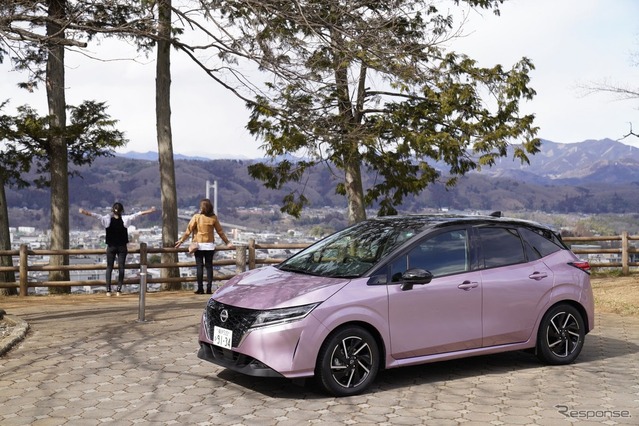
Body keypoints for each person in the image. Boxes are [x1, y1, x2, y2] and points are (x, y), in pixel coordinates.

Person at [79, 203, 156, 296]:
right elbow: (138, 214)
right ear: (122, 211)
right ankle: (119, 290)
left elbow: (94, 215)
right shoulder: (125, 219)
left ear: (112, 210)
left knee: (109, 268)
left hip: (111, 246)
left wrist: (83, 212)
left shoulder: (107, 219)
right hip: (122, 246)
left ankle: (108, 290)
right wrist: (150, 210)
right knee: (121, 267)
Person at [175, 198, 233, 294]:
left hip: (198, 245)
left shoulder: (196, 217)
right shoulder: (213, 218)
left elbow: (188, 230)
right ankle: (209, 288)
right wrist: (227, 242)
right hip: (209, 245)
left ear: (202, 208)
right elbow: (220, 232)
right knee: (209, 267)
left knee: (199, 267)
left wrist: (181, 241)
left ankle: (200, 288)